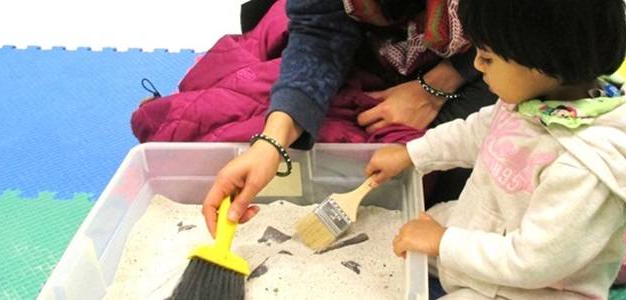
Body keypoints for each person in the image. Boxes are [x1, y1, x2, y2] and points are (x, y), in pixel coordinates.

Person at [364, 0, 626, 298]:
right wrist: (413, 154)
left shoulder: (581, 167)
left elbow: (532, 262)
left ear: (541, 64)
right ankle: (586, 235)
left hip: (538, 285)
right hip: (493, 225)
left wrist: (444, 242)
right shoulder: (532, 96)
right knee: (408, 235)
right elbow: (479, 131)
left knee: (425, 242)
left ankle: (589, 237)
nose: (475, 65)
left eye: (487, 58)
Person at [201, 0, 497, 236]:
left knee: (472, 164)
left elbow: (523, 43)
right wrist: (272, 142)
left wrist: (433, 88)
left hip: (492, 50)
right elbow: (319, 33)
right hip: (387, 41)